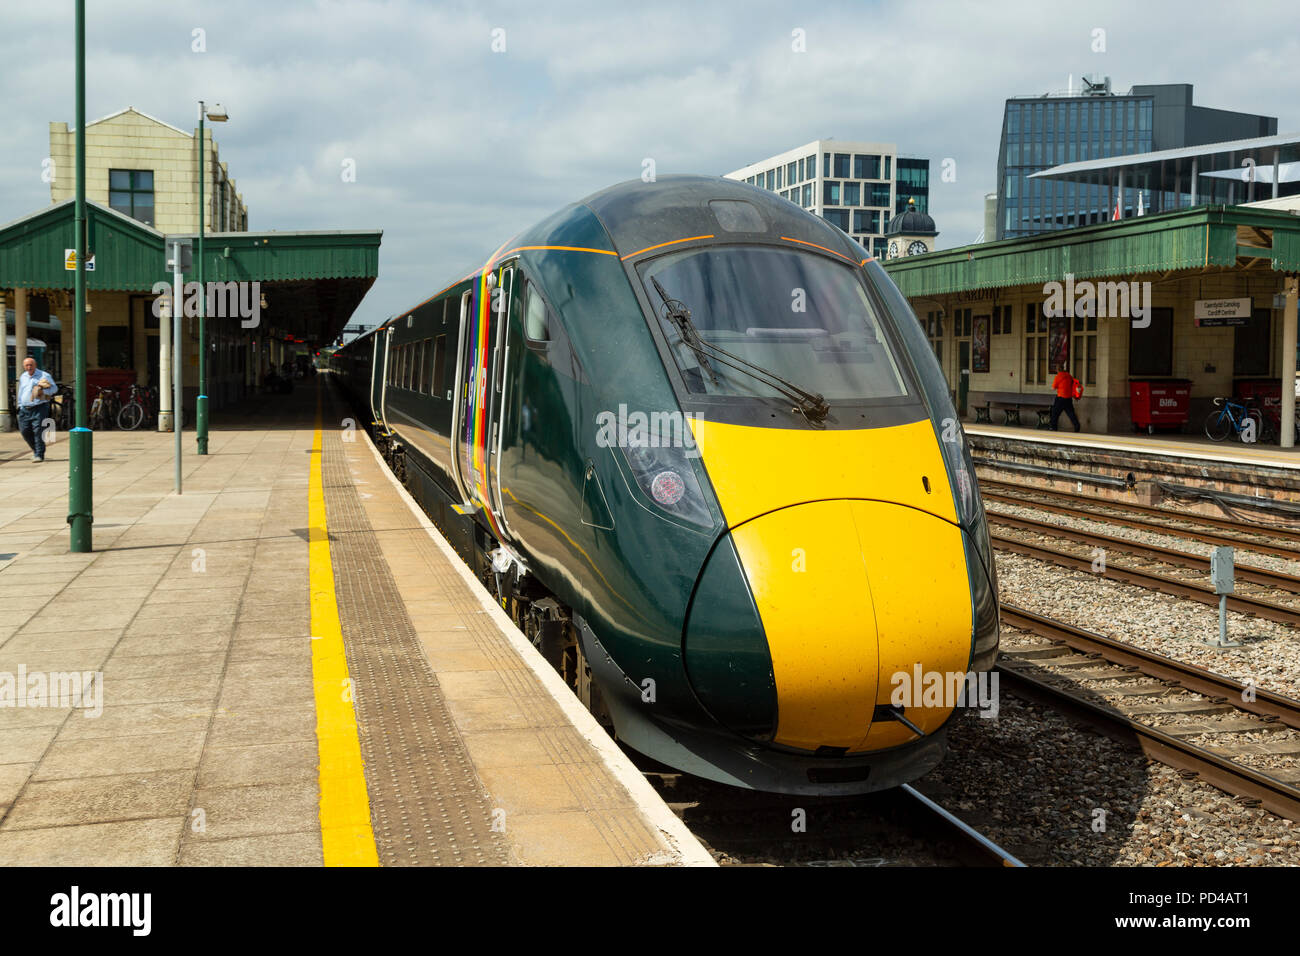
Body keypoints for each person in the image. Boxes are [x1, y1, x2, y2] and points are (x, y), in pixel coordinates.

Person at [17, 356, 59, 462]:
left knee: (38, 431)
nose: (29, 367)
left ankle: (39, 454)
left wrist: (43, 392)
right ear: (24, 366)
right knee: (25, 431)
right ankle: (37, 450)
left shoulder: (44, 375)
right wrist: (19, 404)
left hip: (39, 407)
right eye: (27, 365)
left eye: (31, 365)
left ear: (35, 365)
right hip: (24, 408)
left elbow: (54, 388)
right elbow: (21, 391)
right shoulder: (23, 376)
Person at [1050, 363, 1081, 432]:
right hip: (1068, 398)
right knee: (1071, 413)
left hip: (1061, 397)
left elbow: (1053, 387)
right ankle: (1077, 425)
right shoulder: (1069, 375)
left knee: (1055, 413)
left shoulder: (1058, 376)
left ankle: (1053, 427)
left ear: (1057, 370)